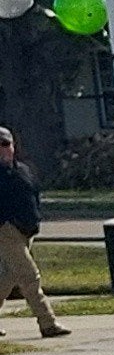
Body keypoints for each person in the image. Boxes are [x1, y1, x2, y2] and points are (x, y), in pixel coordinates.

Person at [0, 127, 64, 341]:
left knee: (6, 278)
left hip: (26, 231)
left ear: (12, 145)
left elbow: (34, 196)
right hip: (4, 231)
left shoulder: (24, 170)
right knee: (29, 276)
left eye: (5, 144)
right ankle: (48, 323)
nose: (3, 149)